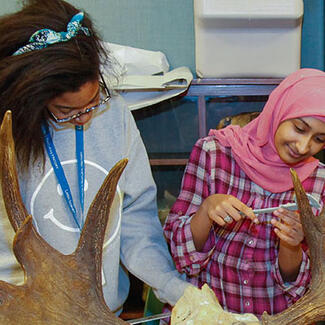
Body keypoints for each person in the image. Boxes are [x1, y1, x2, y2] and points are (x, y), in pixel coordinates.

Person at [0, 0, 189, 316]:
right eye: (66, 111)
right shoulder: (8, 135)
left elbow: (134, 217)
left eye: (92, 103)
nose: (83, 118)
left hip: (102, 313)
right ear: (30, 95)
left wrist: (172, 285)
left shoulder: (114, 117)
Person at [163, 68, 325, 318]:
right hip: (207, 317)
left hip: (275, 318)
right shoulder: (213, 154)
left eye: (319, 139)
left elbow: (302, 287)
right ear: (279, 110)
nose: (304, 146)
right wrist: (207, 211)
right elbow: (181, 256)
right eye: (299, 128)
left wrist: (291, 246)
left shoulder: (318, 182)